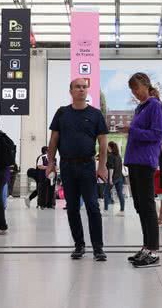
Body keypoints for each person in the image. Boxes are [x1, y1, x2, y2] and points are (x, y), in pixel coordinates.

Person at [46, 78, 109, 262]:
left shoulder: (96, 114)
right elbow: (53, 140)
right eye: (77, 87)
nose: (81, 89)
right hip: (67, 166)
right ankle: (79, 245)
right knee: (72, 208)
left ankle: (98, 248)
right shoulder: (62, 113)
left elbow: (103, 144)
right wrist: (50, 162)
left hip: (87, 166)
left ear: (87, 90)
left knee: (92, 207)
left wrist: (102, 166)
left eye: (84, 87)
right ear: (71, 90)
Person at [121, 73, 162, 267]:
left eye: (137, 88)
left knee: (147, 205)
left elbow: (157, 134)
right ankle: (146, 247)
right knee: (140, 206)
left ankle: (154, 251)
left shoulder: (155, 106)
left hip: (145, 162)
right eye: (132, 90)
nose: (135, 92)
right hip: (134, 161)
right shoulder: (140, 108)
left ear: (146, 86)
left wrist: (132, 130)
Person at [104, 142, 125, 215]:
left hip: (113, 178)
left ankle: (106, 211)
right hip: (120, 177)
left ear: (110, 147)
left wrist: (110, 179)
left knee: (106, 193)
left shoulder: (110, 156)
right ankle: (122, 211)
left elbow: (111, 168)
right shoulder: (118, 156)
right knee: (120, 194)